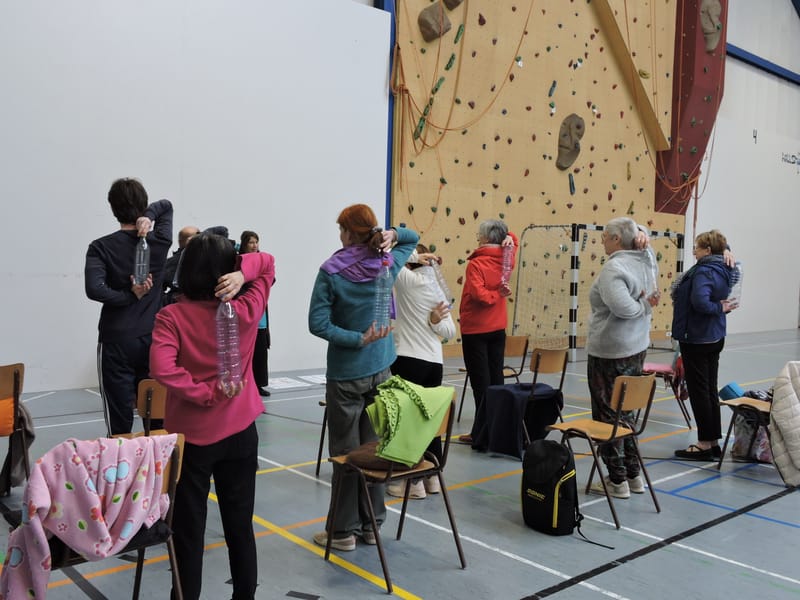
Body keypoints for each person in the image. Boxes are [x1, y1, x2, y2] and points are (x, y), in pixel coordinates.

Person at [150, 232, 275, 600]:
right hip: (241, 434)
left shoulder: (171, 317)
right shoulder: (247, 307)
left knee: (188, 534)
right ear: (228, 271)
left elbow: (161, 367)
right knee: (240, 528)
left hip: (192, 441)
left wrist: (202, 394)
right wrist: (244, 272)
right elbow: (268, 263)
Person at [308, 203, 418, 551]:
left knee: (346, 455)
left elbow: (317, 323)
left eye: (341, 229)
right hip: (381, 370)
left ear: (348, 233)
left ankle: (342, 532)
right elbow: (412, 239)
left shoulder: (331, 272)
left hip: (346, 376)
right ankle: (371, 526)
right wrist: (394, 234)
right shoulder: (387, 263)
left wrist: (356, 339)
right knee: (375, 451)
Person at [84, 177, 173, 435]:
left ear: (113, 208)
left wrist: (129, 296)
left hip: (117, 341)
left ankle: (121, 460)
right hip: (154, 339)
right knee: (157, 419)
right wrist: (149, 216)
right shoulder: (160, 241)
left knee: (119, 420)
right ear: (143, 204)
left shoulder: (101, 247)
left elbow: (94, 289)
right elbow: (166, 206)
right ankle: (158, 461)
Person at [585, 217, 660, 499]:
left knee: (607, 416)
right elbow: (641, 238)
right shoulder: (646, 261)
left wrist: (641, 305)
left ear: (617, 239)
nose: (602, 240)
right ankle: (633, 475)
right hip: (636, 347)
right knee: (624, 413)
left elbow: (625, 309)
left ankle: (617, 480)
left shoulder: (614, 268)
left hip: (610, 352)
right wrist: (641, 233)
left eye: (606, 235)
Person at [387, 244, 456, 499]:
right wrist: (433, 321)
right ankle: (432, 477)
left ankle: (411, 481)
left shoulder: (408, 280)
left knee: (408, 422)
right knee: (430, 421)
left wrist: (414, 255)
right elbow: (450, 332)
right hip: (434, 364)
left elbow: (388, 257)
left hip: (408, 360)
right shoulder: (436, 289)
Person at [671, 229, 737, 460]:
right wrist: (727, 249)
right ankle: (713, 441)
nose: (694, 252)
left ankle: (704, 444)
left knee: (700, 392)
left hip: (697, 337)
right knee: (709, 389)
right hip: (714, 335)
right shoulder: (726, 267)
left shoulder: (703, 271)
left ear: (708, 250)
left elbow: (700, 302)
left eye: (697, 248)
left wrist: (718, 307)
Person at [458, 219, 518, 446]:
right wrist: (510, 236)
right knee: (496, 381)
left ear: (484, 238)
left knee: (480, 384)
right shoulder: (507, 256)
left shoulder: (476, 264)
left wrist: (496, 295)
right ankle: (496, 431)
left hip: (476, 330)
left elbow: (480, 296)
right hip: (497, 328)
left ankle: (481, 434)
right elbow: (514, 241)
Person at [239, 230, 273, 397]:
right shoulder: (239, 262)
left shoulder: (262, 261)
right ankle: (246, 386)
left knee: (260, 353)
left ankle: (258, 385)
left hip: (261, 317)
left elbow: (271, 280)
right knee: (246, 354)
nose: (254, 245)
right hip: (246, 316)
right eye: (251, 242)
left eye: (256, 242)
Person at [162, 225, 200, 305]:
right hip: (200, 302)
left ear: (179, 241)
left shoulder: (168, 262)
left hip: (174, 304)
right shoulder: (205, 258)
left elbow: (159, 287)